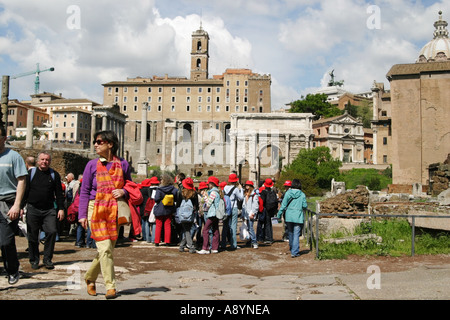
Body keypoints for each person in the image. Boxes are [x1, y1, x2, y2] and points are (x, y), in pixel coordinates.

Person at [78, 130, 132, 299]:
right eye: (95, 141)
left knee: (107, 250)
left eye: (99, 141)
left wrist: (123, 190)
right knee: (105, 248)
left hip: (114, 208)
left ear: (110, 144)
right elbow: (84, 191)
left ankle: (89, 278)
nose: (95, 144)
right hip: (96, 207)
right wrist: (82, 214)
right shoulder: (91, 165)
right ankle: (111, 286)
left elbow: (131, 186)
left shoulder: (123, 165)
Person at [24, 151, 65, 270]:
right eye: (42, 159)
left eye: (47, 160)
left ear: (50, 162)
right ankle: (34, 259)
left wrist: (61, 209)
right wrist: (20, 206)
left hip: (49, 210)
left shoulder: (54, 175)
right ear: (38, 161)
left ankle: (47, 259)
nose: (44, 162)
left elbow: (59, 193)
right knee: (32, 236)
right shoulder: (30, 173)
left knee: (52, 232)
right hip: (33, 208)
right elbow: (25, 191)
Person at [0, 126, 27, 285]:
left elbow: (22, 181)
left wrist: (17, 205)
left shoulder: (13, 157)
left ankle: (12, 269)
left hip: (8, 204)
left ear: (4, 138)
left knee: (5, 241)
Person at [277, 179, 307, 258]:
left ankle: (292, 247)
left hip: (289, 215)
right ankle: (294, 252)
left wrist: (279, 214)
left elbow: (283, 205)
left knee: (290, 232)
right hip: (298, 216)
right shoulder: (302, 194)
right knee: (296, 234)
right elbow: (304, 206)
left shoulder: (287, 193)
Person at [153, 174, 178, 246]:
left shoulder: (159, 189)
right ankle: (167, 241)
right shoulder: (173, 189)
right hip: (169, 209)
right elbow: (175, 198)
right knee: (167, 225)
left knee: (158, 225)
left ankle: (157, 241)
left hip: (160, 209)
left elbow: (156, 199)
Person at [197, 176, 221, 254]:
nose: (208, 185)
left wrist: (205, 196)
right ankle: (214, 248)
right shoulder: (217, 192)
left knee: (205, 230)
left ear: (212, 184)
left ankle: (205, 248)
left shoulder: (213, 193)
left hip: (212, 213)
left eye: (209, 183)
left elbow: (208, 204)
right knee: (215, 230)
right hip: (216, 214)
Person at [222, 173, 244, 250]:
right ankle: (233, 244)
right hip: (233, 207)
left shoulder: (224, 188)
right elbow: (241, 198)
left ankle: (223, 244)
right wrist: (241, 189)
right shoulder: (235, 189)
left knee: (225, 226)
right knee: (233, 226)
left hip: (226, 208)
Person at [178, 177, 198, 253]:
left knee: (187, 230)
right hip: (191, 214)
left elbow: (178, 204)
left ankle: (182, 246)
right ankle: (191, 247)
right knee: (188, 230)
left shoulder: (181, 193)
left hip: (182, 214)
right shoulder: (194, 193)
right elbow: (196, 205)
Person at [258, 178, 278, 245]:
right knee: (269, 223)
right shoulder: (273, 192)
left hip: (265, 209)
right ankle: (270, 237)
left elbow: (262, 201)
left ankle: (266, 238)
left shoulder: (264, 192)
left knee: (264, 223)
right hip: (271, 210)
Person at [242, 180, 259, 249]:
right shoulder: (246, 194)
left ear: (251, 186)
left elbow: (255, 206)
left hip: (250, 214)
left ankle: (254, 242)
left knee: (251, 228)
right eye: (246, 185)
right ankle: (250, 241)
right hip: (246, 214)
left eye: (248, 185)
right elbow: (244, 205)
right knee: (248, 228)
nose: (246, 186)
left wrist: (252, 213)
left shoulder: (254, 195)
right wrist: (243, 214)